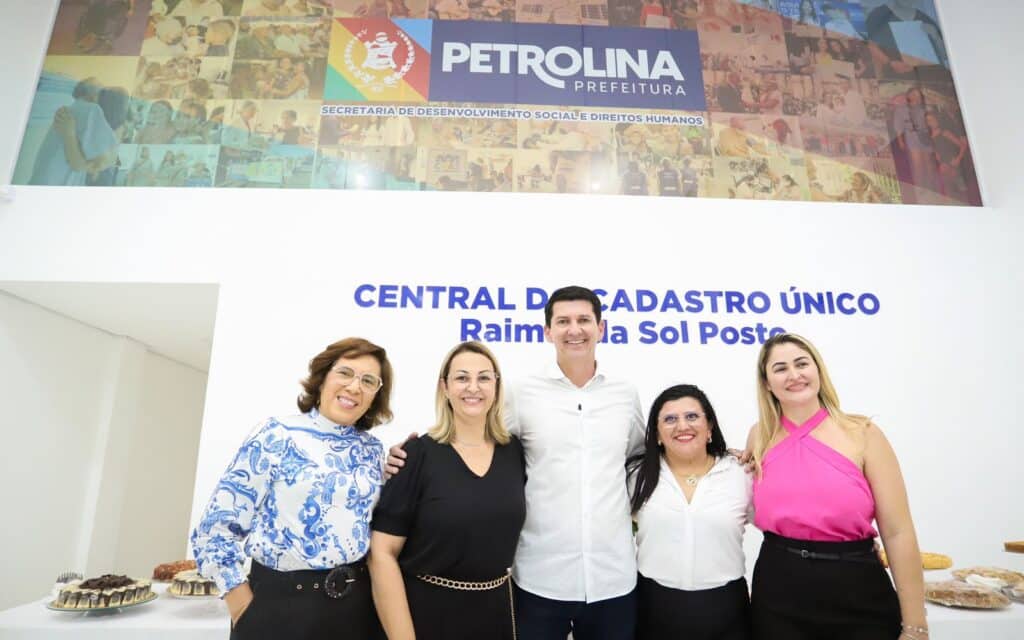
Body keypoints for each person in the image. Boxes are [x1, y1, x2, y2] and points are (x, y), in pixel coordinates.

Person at [387, 286, 645, 640]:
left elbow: (639, 461)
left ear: (601, 328)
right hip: (538, 581)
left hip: (613, 579)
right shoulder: (522, 393)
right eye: (563, 321)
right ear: (547, 331)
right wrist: (411, 456)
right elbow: (475, 435)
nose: (574, 329)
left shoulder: (625, 395)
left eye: (584, 320)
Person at [192, 337, 392, 640]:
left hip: (358, 609)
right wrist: (242, 607)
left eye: (368, 381)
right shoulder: (277, 434)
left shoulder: (373, 450)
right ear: (323, 378)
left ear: (376, 394)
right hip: (279, 608)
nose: (355, 387)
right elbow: (215, 529)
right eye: (345, 373)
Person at [746, 333, 928, 640]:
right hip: (778, 591)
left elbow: (898, 532)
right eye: (780, 368)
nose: (794, 375)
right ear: (766, 383)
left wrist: (915, 626)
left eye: (802, 364)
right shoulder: (759, 436)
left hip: (857, 589)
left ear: (818, 370)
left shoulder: (863, 434)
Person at [369, 341, 525, 640]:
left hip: (495, 614)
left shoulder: (514, 451)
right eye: (462, 378)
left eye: (483, 378)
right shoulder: (416, 454)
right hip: (426, 615)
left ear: (496, 386)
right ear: (445, 387)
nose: (473, 387)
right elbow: (382, 553)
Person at [628, 384, 751, 640]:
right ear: (657, 434)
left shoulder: (741, 473)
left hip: (726, 608)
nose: (682, 426)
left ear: (710, 427)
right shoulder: (635, 476)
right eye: (670, 419)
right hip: (653, 605)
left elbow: (775, 525)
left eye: (692, 416)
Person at [28, 78, 118, 186]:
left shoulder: (68, 110)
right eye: (102, 90)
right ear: (94, 95)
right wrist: (92, 166)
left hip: (39, 182)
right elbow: (104, 160)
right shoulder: (92, 110)